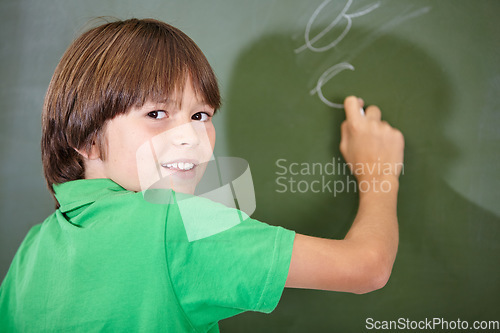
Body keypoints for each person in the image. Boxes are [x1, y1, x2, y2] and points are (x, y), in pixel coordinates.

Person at [0, 18, 404, 332]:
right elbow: (367, 268)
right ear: (86, 137)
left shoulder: (32, 250)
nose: (191, 138)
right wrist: (379, 174)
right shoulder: (177, 224)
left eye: (200, 115)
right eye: (156, 114)